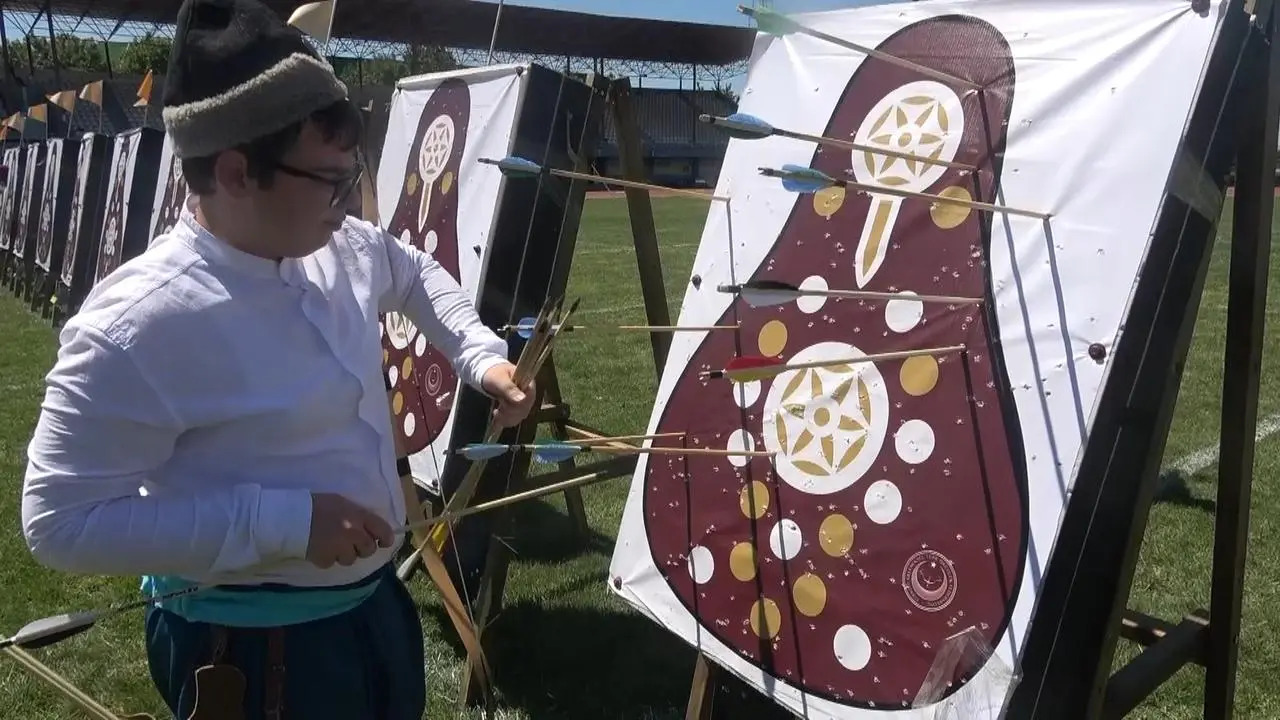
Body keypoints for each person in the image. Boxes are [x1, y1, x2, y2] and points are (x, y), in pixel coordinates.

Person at [19, 0, 534, 717]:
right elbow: (58, 524)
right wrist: (287, 525)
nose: (347, 202)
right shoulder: (136, 324)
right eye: (330, 180)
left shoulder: (339, 243)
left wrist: (480, 357)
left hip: (372, 605)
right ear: (236, 173)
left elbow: (413, 273)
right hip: (251, 651)